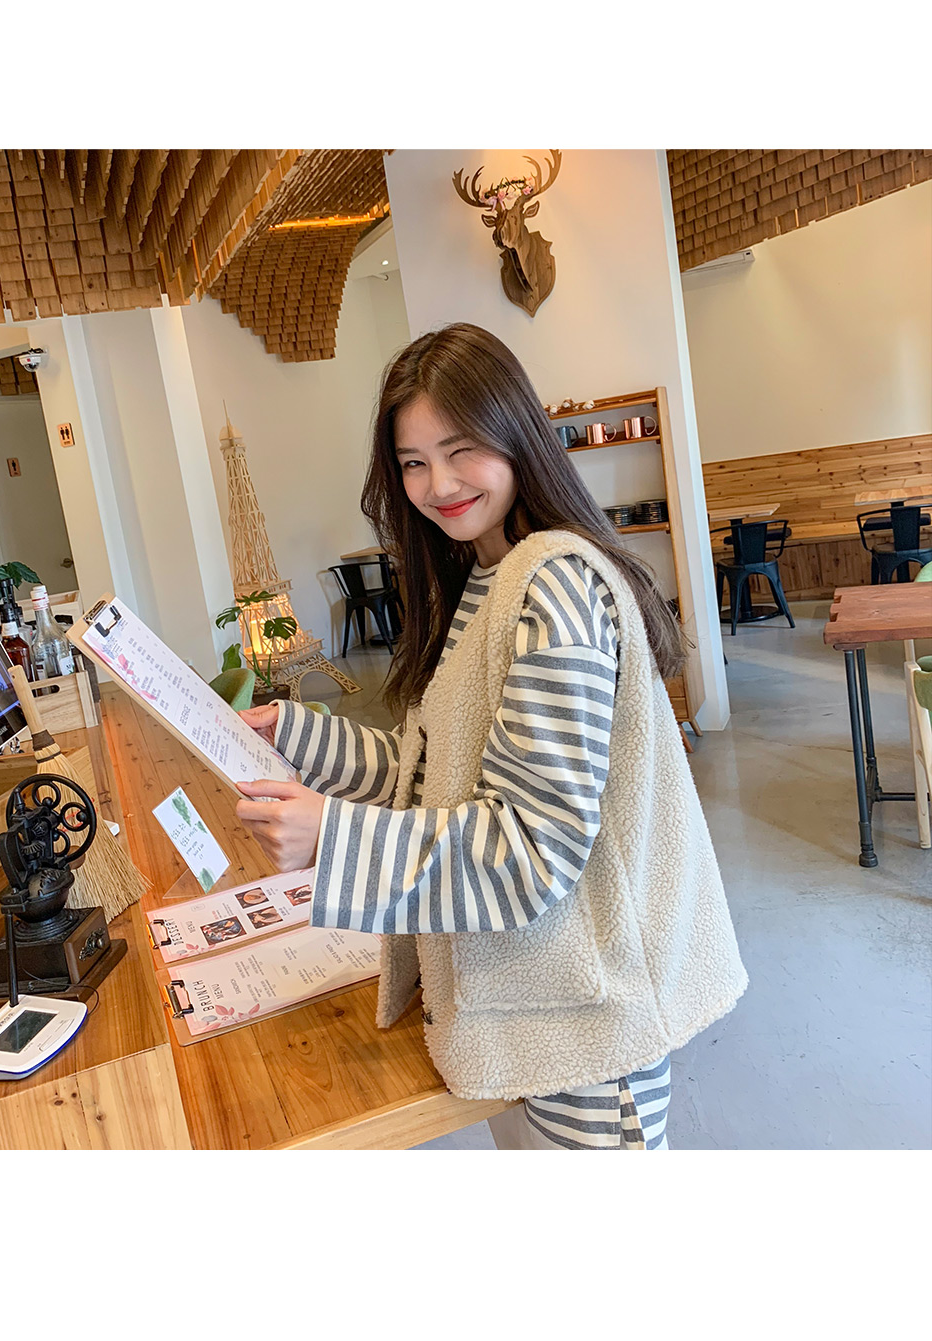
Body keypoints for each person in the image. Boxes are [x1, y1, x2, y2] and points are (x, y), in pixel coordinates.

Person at [235, 323, 747, 1150]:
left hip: (586, 1029)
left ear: (515, 433)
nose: (436, 484)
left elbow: (531, 847)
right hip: (527, 1003)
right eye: (412, 462)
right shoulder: (485, 575)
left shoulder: (552, 587)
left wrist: (332, 837)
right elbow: (430, 769)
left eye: (460, 449)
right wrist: (293, 734)